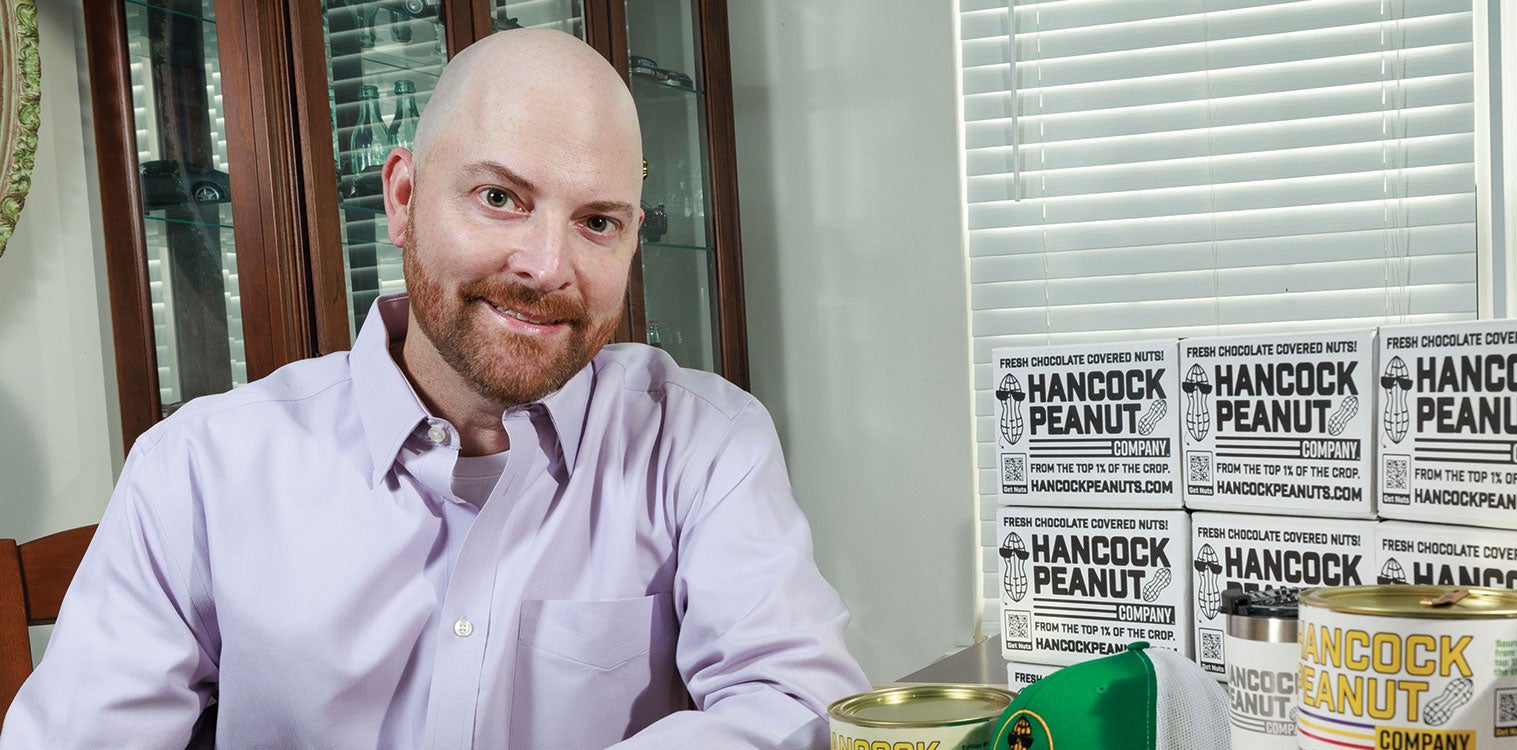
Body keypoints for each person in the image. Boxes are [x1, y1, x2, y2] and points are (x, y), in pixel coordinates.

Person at [0, 29, 868, 748]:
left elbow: (798, 709)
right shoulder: (199, 468)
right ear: (405, 197)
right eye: (499, 197)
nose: (545, 265)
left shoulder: (704, 443)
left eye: (597, 222)